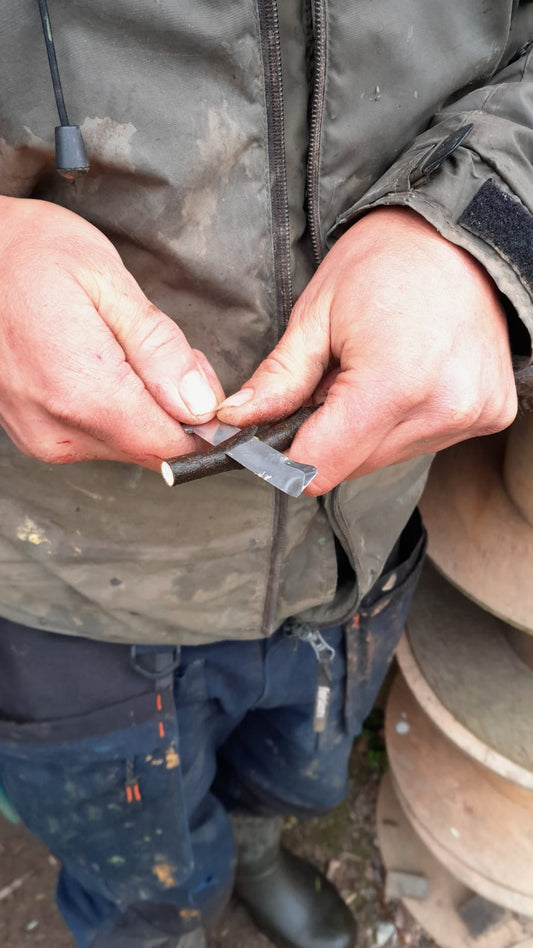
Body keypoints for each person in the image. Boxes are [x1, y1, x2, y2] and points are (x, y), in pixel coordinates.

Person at [0, 2, 531, 946]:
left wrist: (485, 225)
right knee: (129, 859)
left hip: (357, 544)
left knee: (298, 769)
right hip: (61, 587)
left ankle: (251, 850)